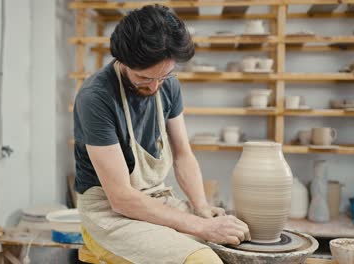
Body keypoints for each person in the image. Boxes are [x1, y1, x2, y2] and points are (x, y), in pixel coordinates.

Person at [73, 4, 250, 264]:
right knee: (203, 261)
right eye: (144, 78)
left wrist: (201, 208)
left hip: (156, 200)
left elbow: (183, 155)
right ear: (123, 61)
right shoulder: (96, 98)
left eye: (164, 76)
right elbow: (121, 198)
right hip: (109, 214)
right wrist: (199, 227)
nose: (155, 86)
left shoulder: (167, 84)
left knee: (234, 248)